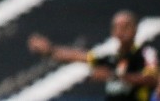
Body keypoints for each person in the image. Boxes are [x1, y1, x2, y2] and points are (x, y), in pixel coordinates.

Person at [28, 10, 159, 100]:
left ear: (135, 29)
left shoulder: (145, 53)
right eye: (118, 27)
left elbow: (152, 79)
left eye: (126, 27)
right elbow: (78, 56)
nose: (122, 31)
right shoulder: (111, 57)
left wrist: (114, 76)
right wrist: (51, 50)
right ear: (113, 31)